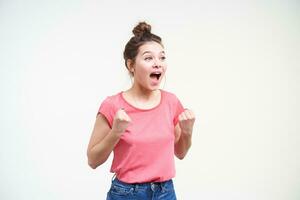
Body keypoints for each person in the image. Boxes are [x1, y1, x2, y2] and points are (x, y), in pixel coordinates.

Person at [87, 21, 195, 200]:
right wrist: (116, 132)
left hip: (165, 192)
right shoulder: (112, 105)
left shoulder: (171, 102)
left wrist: (187, 132)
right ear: (131, 65)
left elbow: (181, 153)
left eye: (162, 57)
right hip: (126, 194)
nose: (157, 64)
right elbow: (93, 160)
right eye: (148, 58)